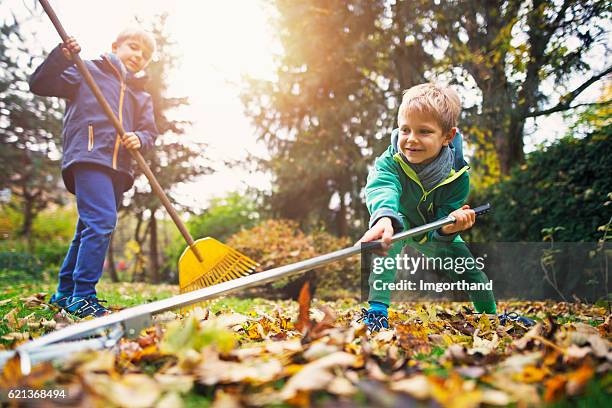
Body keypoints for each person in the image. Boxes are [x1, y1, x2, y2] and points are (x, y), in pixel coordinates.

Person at [357, 83, 534, 332]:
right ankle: (377, 312)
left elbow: (444, 220)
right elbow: (382, 187)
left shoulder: (458, 177)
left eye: (424, 131)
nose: (411, 139)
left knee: (473, 274)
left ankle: (491, 318)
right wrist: (384, 217)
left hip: (434, 229)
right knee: (388, 246)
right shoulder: (390, 162)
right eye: (405, 129)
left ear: (447, 137)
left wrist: (450, 227)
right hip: (399, 220)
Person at [29, 28, 158, 318]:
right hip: (88, 155)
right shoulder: (87, 72)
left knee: (88, 227)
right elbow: (41, 83)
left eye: (145, 55)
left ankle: (65, 293)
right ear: (115, 45)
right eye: (133, 47)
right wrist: (61, 58)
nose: (138, 56)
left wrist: (139, 137)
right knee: (101, 221)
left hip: (119, 168)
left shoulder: (141, 96)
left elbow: (150, 132)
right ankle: (83, 296)